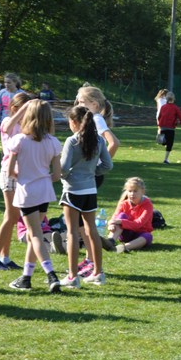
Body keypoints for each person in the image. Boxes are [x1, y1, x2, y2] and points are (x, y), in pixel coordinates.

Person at [5, 99, 62, 292]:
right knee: (33, 234)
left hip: (27, 191)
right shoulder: (53, 142)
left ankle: (51, 275)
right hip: (45, 190)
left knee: (35, 235)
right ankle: (26, 277)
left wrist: (23, 177)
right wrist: (41, 177)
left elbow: (10, 171)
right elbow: (56, 175)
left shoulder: (19, 140)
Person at [59, 106, 113, 288]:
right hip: (90, 190)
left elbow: (63, 168)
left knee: (72, 232)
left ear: (75, 122)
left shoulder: (72, 140)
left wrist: (67, 177)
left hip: (73, 190)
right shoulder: (99, 140)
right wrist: (92, 173)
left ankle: (72, 277)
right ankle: (98, 273)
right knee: (92, 230)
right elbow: (108, 165)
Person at [0, 93, 33, 271]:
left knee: (11, 217)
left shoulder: (26, 125)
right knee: (12, 216)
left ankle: (4, 257)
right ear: (15, 108)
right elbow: (7, 128)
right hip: (9, 173)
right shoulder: (7, 121)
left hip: (22, 173)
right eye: (25, 109)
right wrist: (24, 108)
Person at [103, 177, 155, 253]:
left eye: (135, 191)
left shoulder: (147, 204)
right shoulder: (124, 203)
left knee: (148, 236)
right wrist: (111, 225)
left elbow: (138, 224)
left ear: (142, 191)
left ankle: (122, 247)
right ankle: (110, 241)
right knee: (121, 215)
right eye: (130, 191)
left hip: (140, 234)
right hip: (125, 233)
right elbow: (114, 218)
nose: (132, 194)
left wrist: (120, 221)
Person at [157, 91, 181, 164]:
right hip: (171, 128)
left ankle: (163, 141)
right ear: (174, 99)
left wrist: (159, 124)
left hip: (163, 127)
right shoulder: (175, 108)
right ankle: (166, 159)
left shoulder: (163, 107)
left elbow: (159, 116)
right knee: (170, 144)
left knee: (164, 141)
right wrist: (180, 122)